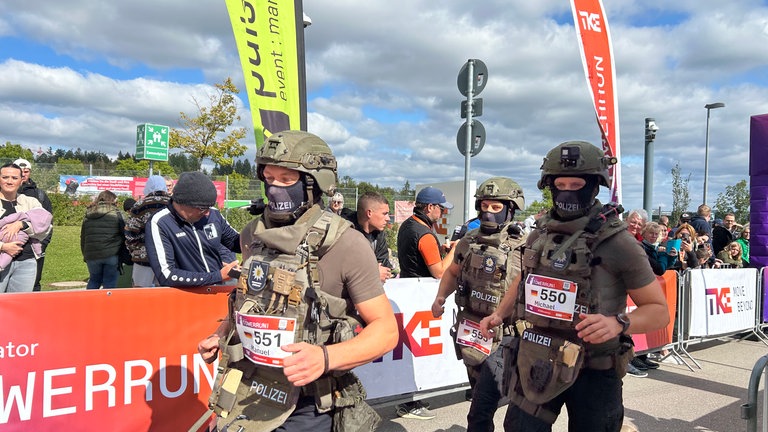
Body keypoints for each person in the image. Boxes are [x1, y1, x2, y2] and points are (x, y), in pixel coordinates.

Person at [196, 130, 398, 431]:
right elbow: (252, 297)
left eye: (287, 180)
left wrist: (325, 357)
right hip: (246, 389)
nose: (274, 187)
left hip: (307, 405)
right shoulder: (253, 234)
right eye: (268, 177)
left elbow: (386, 331)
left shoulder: (346, 243)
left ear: (314, 184)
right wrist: (222, 332)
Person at [478, 141, 669, 432]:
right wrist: (499, 315)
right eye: (560, 183)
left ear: (595, 186)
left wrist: (619, 323)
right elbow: (525, 278)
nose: (567, 190)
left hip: (595, 368)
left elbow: (658, 312)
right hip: (538, 359)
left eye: (576, 183)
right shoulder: (540, 232)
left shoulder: (618, 242)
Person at [430, 176, 527, 430]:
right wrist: (441, 297)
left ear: (510, 209)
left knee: (485, 410)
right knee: (479, 399)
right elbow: (452, 271)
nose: (488, 212)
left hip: (506, 338)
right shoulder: (469, 241)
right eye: (485, 206)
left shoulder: (524, 246)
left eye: (496, 207)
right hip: (472, 331)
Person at [145, 171, 241, 287]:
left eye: (209, 207)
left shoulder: (213, 215)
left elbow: (236, 243)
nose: (207, 213)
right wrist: (217, 276)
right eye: (202, 208)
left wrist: (259, 228)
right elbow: (167, 275)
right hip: (185, 298)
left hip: (216, 293)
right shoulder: (160, 222)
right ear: (181, 202)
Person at [0, 163, 52, 293]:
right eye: (5, 177)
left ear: (21, 180)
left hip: (26, 262)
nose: (9, 181)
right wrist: (3, 247)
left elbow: (45, 228)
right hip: (2, 260)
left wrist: (22, 224)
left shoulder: (30, 202)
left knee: (19, 307)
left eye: (14, 178)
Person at [397, 186, 455, 278]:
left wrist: (439, 251)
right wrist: (455, 250)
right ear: (430, 207)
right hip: (421, 288)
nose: (443, 213)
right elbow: (439, 273)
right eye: (442, 209)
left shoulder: (407, 223)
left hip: (407, 284)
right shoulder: (425, 235)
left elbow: (415, 258)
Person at [14, 158, 53, 292]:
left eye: (27, 171)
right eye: (20, 171)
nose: (24, 174)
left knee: (35, 285)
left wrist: (42, 245)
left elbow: (48, 223)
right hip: (7, 248)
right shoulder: (6, 194)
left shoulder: (39, 195)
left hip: (33, 249)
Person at [124, 175, 171, 287]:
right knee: (164, 294)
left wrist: (134, 249)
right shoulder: (173, 204)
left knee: (140, 294)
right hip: (167, 258)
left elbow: (130, 233)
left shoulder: (140, 205)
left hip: (143, 257)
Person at [344, 191, 394, 283]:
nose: (388, 218)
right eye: (384, 213)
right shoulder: (344, 232)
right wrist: (373, 273)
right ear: (369, 213)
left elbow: (383, 263)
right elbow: (341, 268)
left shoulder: (378, 233)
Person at [80, 190, 124, 289]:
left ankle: (90, 303)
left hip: (91, 254)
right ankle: (107, 304)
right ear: (113, 200)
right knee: (110, 283)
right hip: (111, 253)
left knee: (94, 280)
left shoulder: (88, 213)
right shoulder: (116, 213)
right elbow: (123, 233)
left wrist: (85, 254)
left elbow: (83, 237)